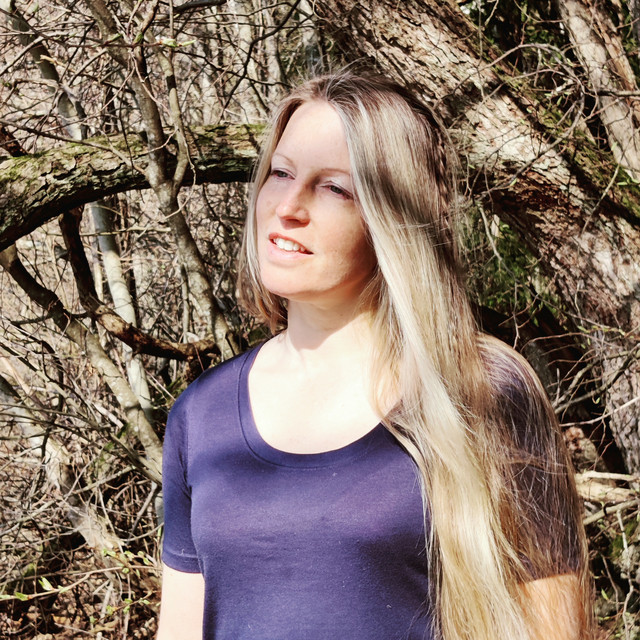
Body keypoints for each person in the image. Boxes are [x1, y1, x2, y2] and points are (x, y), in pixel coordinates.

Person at [156, 70, 592, 640]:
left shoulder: (480, 387)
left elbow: (551, 622)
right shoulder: (202, 413)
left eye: (334, 188)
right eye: (280, 173)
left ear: (394, 218)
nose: (288, 206)